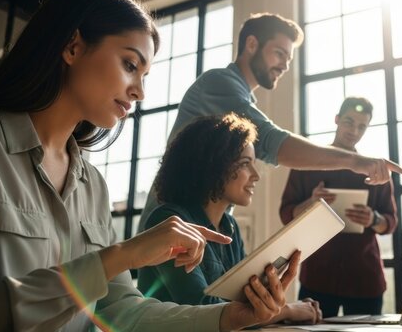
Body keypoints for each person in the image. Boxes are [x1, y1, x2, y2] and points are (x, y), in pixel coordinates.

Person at [0, 0, 302, 331]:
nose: (140, 91)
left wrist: (230, 318)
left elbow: (118, 312)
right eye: (130, 65)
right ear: (73, 46)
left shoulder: (92, 185)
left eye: (145, 75)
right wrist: (123, 255)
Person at [139, 13, 402, 230]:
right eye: (280, 53)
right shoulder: (218, 83)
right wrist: (355, 161)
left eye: (288, 59)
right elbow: (273, 142)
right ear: (252, 44)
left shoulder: (242, 98)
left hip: (199, 226)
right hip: (171, 224)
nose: (285, 65)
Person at [137, 113, 322, 325]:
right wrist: (288, 311)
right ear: (212, 164)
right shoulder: (170, 220)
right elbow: (204, 308)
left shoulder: (229, 226)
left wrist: (271, 301)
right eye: (245, 163)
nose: (256, 175)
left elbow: (242, 301)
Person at [279, 97, 397, 317]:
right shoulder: (306, 162)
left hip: (365, 279)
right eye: (349, 122)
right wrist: (310, 203)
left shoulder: (375, 170)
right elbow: (286, 214)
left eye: (362, 126)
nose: (354, 130)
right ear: (336, 120)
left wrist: (373, 219)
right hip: (317, 276)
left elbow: (390, 223)